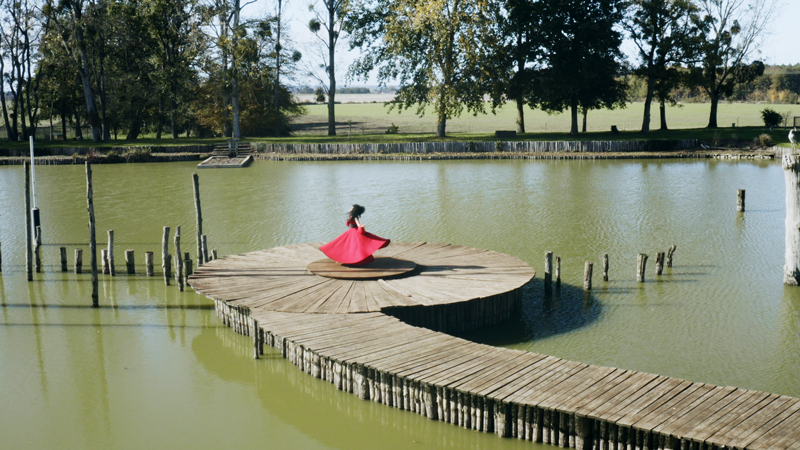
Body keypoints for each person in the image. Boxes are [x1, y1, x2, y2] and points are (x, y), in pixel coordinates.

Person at [319, 204, 390, 265]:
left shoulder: (355, 217)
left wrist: (361, 227)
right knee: (347, 245)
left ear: (354, 210)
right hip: (351, 231)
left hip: (355, 231)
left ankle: (358, 259)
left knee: (356, 246)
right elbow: (348, 224)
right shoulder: (350, 216)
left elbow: (358, 224)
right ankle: (345, 258)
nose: (349, 209)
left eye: (351, 208)